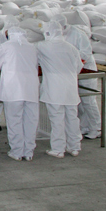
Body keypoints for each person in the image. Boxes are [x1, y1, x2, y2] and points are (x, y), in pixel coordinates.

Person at [0, 27, 39, 161]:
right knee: (31, 121)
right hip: (31, 88)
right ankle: (29, 152)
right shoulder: (32, 47)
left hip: (13, 89)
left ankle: (17, 152)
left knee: (14, 120)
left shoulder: (6, 46)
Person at [37, 20, 84, 158]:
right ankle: (74, 147)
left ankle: (58, 149)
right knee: (72, 118)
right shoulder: (71, 47)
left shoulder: (42, 46)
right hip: (70, 88)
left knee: (57, 119)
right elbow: (78, 67)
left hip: (54, 89)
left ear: (47, 33)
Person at [63, 22, 101, 140]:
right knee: (79, 101)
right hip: (73, 70)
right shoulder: (61, 35)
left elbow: (86, 53)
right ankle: (84, 126)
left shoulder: (78, 34)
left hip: (86, 69)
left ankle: (96, 128)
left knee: (88, 100)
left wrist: (73, 61)